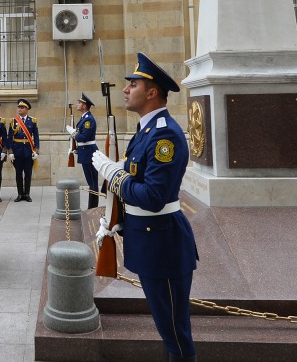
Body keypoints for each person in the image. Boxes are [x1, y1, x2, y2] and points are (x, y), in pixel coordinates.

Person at [91, 52, 198, 362]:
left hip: (163, 244)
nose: (126, 89)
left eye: (133, 84)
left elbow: (153, 196)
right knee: (168, 330)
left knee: (176, 336)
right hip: (150, 239)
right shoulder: (146, 130)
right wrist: (118, 221)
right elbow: (138, 179)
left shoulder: (164, 135)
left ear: (152, 92)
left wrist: (114, 175)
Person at [69, 93, 100, 209]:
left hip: (89, 153)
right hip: (85, 151)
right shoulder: (84, 118)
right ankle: (91, 208)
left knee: (93, 183)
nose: (77, 104)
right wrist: (76, 149)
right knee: (91, 183)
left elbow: (83, 137)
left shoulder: (89, 120)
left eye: (79, 103)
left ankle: (92, 209)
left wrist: (73, 133)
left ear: (85, 106)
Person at [9, 99, 39, 202]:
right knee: (18, 173)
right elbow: (10, 137)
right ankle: (19, 194)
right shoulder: (13, 121)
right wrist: (10, 151)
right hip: (17, 151)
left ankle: (27, 194)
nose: (19, 109)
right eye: (19, 107)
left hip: (28, 151)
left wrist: (36, 151)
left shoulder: (32, 121)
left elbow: (36, 136)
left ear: (27, 109)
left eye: (22, 107)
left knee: (28, 173)